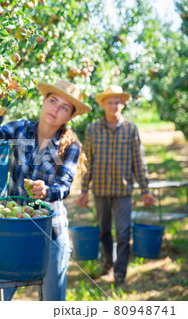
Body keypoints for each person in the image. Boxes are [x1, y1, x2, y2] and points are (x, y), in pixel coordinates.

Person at [0, 80, 91, 301]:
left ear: (70, 117)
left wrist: (46, 191)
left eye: (64, 107)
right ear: (43, 101)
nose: (55, 108)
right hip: (15, 227)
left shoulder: (70, 146)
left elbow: (64, 186)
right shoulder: (20, 128)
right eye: (53, 101)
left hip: (50, 232)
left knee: (53, 302)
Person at [77, 85, 155, 284]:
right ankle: (108, 264)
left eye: (117, 102)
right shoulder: (93, 128)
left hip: (123, 191)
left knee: (123, 231)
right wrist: (84, 190)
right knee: (104, 230)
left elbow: (138, 160)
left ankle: (120, 271)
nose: (113, 106)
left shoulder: (130, 128)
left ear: (122, 104)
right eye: (109, 102)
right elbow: (88, 161)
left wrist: (145, 190)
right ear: (103, 104)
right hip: (101, 190)